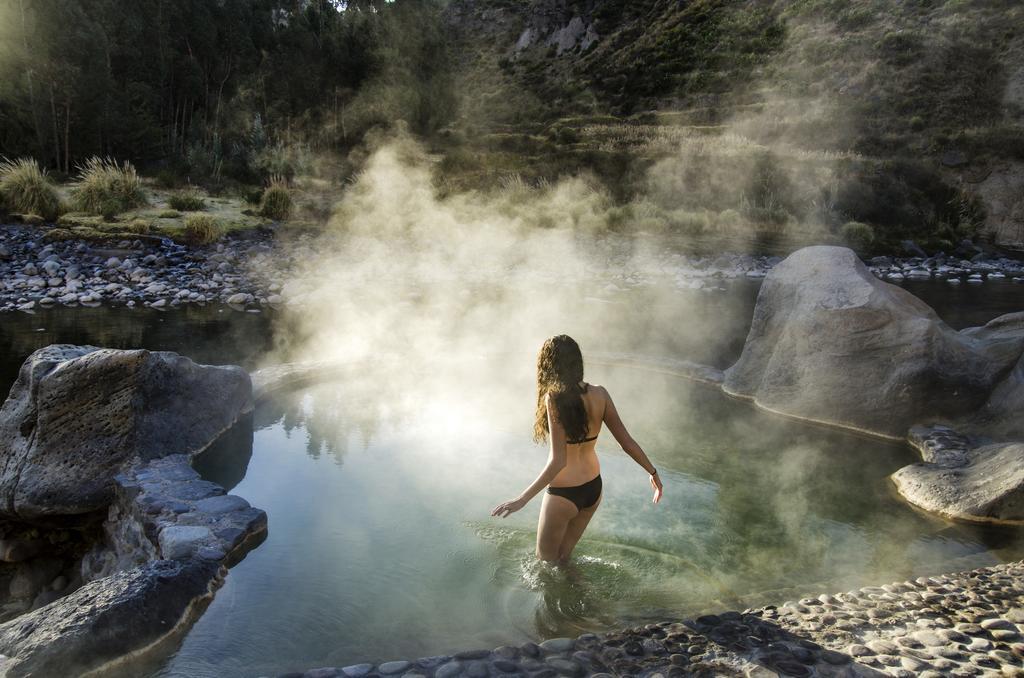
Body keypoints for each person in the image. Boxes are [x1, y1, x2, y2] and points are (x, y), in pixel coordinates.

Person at [491, 334, 663, 563]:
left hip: (564, 493)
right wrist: (652, 472)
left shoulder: (554, 398)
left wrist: (522, 499)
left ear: (549, 364)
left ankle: (582, 598)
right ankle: (591, 598)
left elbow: (558, 461)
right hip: (593, 488)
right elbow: (626, 442)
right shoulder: (600, 393)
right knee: (564, 559)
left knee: (546, 563)